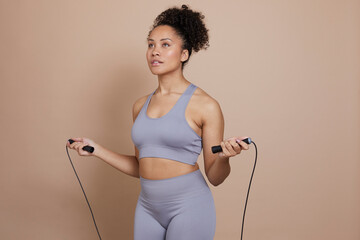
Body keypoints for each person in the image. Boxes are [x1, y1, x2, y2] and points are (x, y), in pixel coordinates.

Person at [67, 4, 249, 240]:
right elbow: (141, 166)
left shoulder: (206, 105)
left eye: (165, 45)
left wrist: (224, 156)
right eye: (151, 44)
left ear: (184, 54)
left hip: (189, 205)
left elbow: (215, 177)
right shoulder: (139, 105)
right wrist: (96, 150)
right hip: (147, 207)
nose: (155, 51)